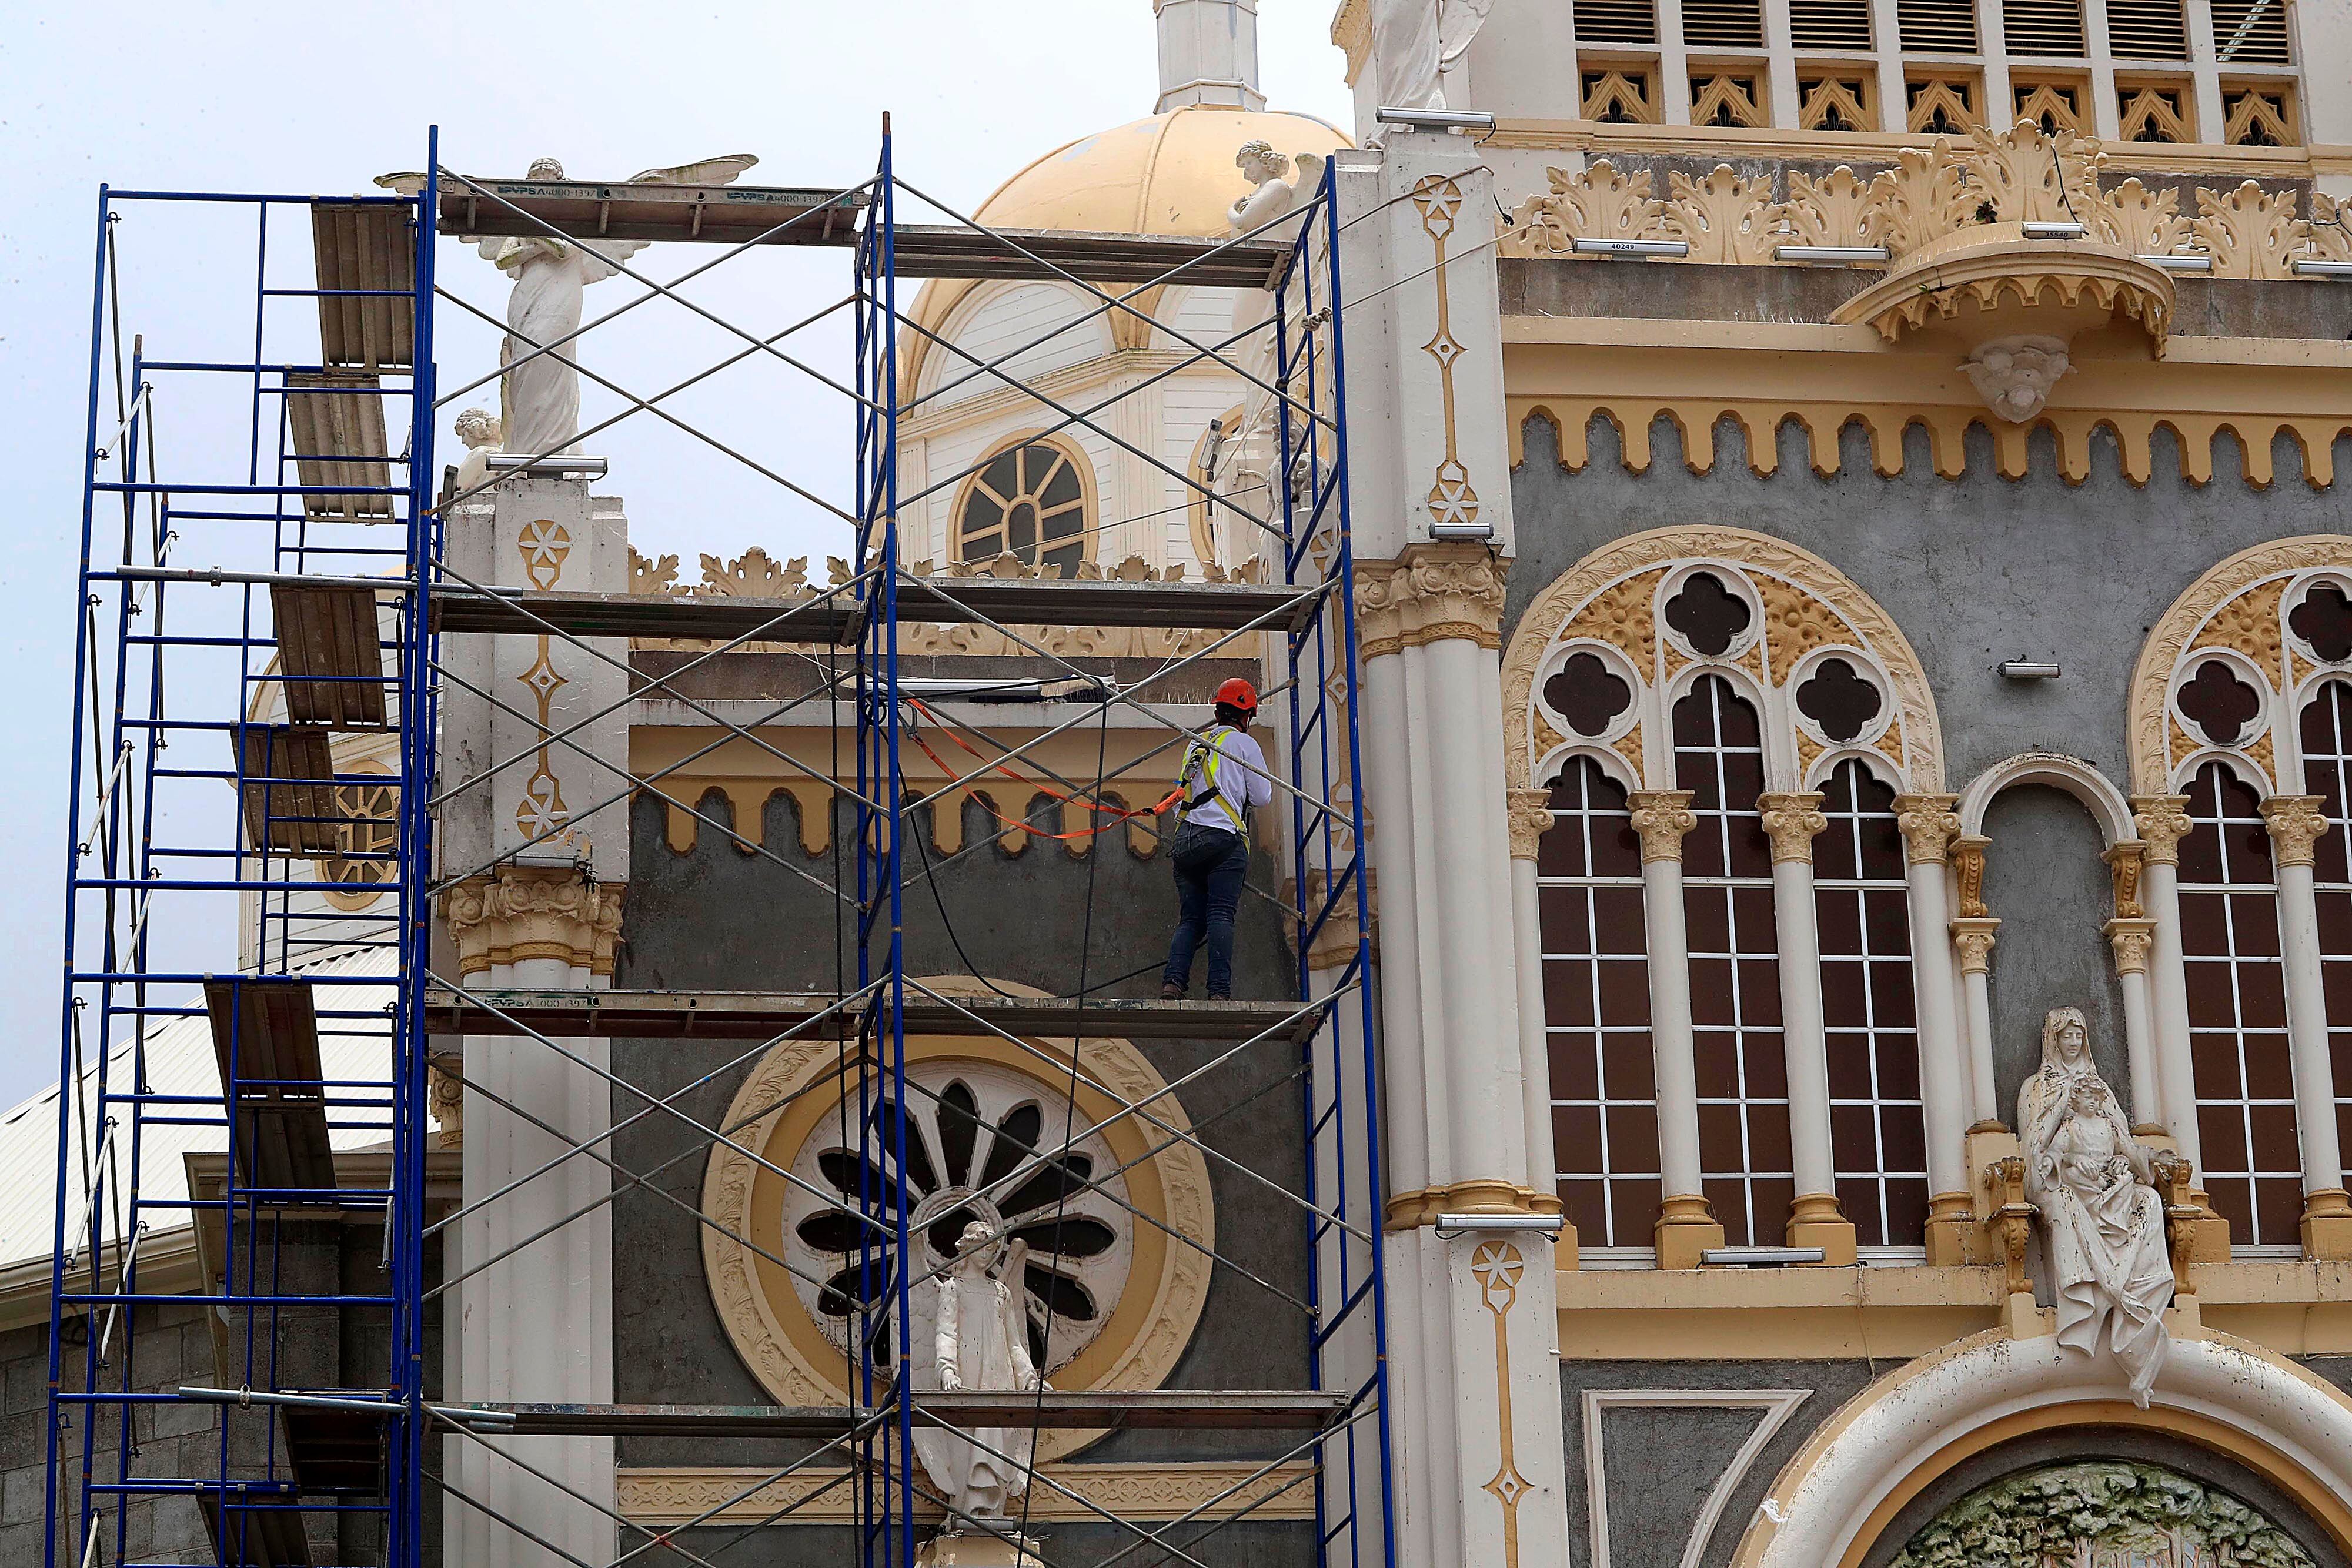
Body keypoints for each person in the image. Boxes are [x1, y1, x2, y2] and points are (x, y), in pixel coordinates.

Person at [1161, 678, 1273, 1001]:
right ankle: (1219, 992)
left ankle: (1172, 983)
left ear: (1218, 710)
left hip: (1186, 841)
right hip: (1223, 839)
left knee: (1191, 918)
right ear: (1246, 714)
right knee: (1221, 914)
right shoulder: (1243, 745)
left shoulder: (1195, 744)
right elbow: (1263, 797)